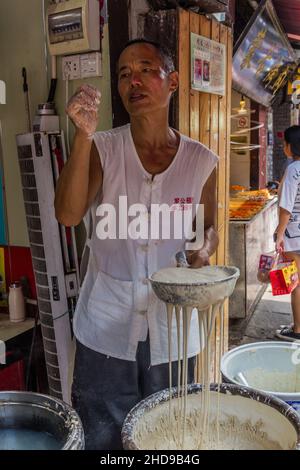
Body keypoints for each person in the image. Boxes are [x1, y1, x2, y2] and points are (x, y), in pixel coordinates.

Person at [54, 38, 219, 449]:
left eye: (146, 68)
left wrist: (204, 250)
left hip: (174, 331)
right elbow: (68, 215)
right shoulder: (102, 148)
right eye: (124, 74)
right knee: (103, 438)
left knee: (169, 438)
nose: (134, 81)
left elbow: (209, 228)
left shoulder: (201, 160)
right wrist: (81, 137)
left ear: (173, 81)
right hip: (105, 330)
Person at [275, 125, 300, 342]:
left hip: (295, 235)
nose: (284, 147)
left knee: (296, 283)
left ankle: (298, 330)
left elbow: (286, 207)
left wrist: (279, 233)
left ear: (291, 147)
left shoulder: (295, 169)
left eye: (285, 144)